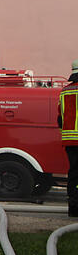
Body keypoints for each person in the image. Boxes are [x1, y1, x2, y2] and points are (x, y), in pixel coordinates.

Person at [58, 59, 78, 217]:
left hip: (70, 141)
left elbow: (60, 119)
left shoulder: (65, 91)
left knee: (73, 173)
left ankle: (73, 208)